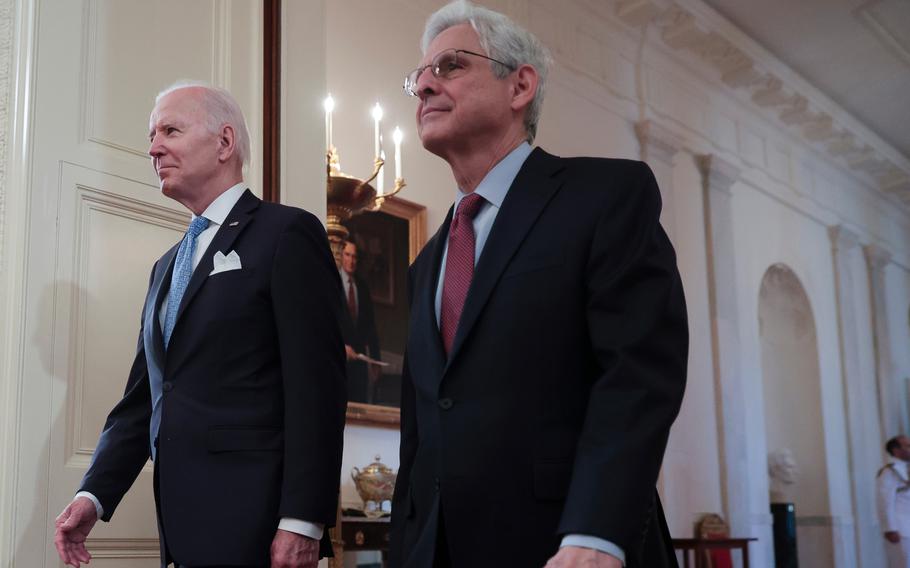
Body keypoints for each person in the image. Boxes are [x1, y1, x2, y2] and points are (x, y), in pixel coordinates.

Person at [389, 2, 688, 567]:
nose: (424, 85)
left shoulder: (604, 195)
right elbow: (421, 435)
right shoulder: (427, 261)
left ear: (520, 84)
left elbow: (638, 373)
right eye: (419, 76)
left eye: (450, 65)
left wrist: (597, 534)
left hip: (568, 546)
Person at [53, 82, 347, 568]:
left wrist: (302, 520)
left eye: (170, 130)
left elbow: (317, 387)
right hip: (180, 529)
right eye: (152, 135)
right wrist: (94, 496)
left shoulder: (286, 233)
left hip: (262, 528)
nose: (152, 147)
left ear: (224, 143)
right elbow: (144, 398)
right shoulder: (167, 266)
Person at [338, 239, 383, 402]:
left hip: (360, 363)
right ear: (341, 256)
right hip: (338, 360)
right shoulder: (332, 282)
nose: (351, 261)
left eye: (355, 257)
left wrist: (376, 361)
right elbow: (325, 323)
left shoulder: (363, 288)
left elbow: (371, 327)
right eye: (348, 255)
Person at [878, 435, 910, 567]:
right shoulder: (890, 471)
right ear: (896, 450)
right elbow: (885, 501)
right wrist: (890, 528)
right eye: (908, 446)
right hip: (901, 529)